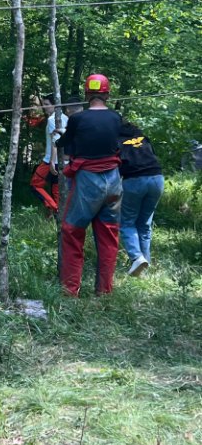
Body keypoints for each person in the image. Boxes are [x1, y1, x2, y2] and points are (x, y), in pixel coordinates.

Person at [57, 74, 123, 297]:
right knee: (108, 235)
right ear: (107, 93)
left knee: (72, 231)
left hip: (88, 181)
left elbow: (66, 143)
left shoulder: (78, 119)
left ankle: (70, 290)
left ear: (87, 94)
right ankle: (104, 291)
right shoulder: (116, 117)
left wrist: (59, 139)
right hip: (114, 181)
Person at [118, 120, 164, 277]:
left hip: (135, 180)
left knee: (127, 223)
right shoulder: (143, 138)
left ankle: (137, 257)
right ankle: (145, 266)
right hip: (157, 178)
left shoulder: (117, 141)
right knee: (144, 224)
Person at [30, 94, 67, 215]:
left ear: (55, 105)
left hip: (51, 160)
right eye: (43, 104)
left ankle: (54, 207)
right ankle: (58, 214)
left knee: (35, 185)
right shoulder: (66, 117)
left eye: (47, 105)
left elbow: (56, 141)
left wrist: (51, 161)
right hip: (64, 160)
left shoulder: (52, 120)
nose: (44, 107)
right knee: (56, 189)